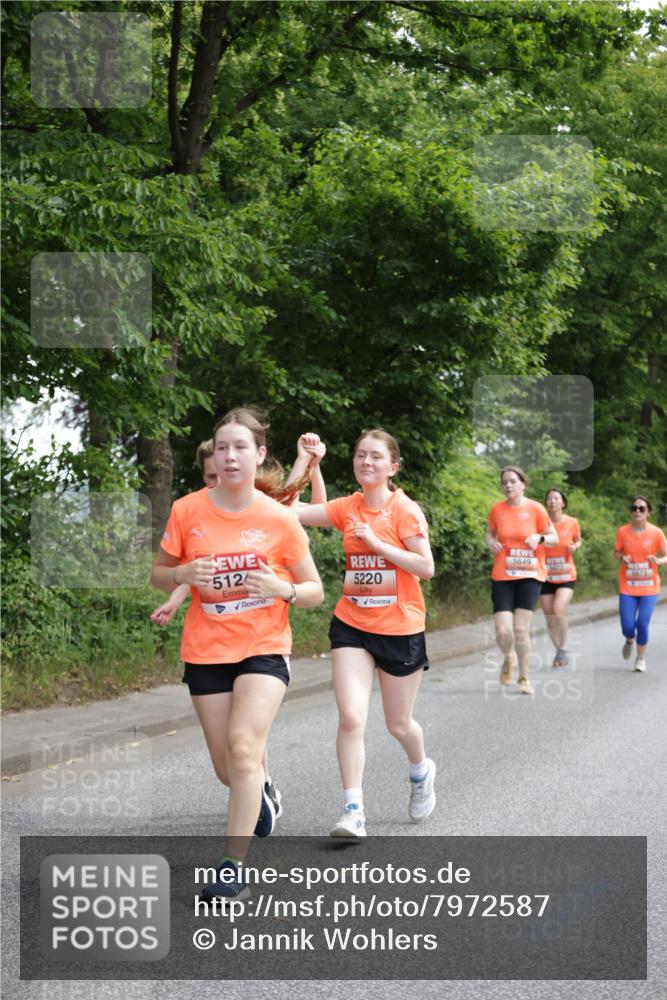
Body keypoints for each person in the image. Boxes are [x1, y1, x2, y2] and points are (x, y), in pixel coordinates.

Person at [150, 408, 324, 899]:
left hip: (263, 646)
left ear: (259, 454)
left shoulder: (278, 518)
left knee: (244, 748)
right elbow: (158, 574)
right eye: (223, 447)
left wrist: (283, 589)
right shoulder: (187, 510)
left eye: (241, 447)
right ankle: (260, 790)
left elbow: (314, 590)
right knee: (228, 769)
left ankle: (233, 868)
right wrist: (181, 575)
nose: (230, 456)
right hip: (206, 650)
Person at [297, 428, 436, 839]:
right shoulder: (349, 506)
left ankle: (421, 771)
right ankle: (353, 809)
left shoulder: (404, 510)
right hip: (352, 625)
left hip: (399, 628)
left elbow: (426, 567)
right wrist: (310, 464)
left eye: (375, 456)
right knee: (351, 716)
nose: (366, 462)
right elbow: (295, 512)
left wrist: (378, 545)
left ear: (393, 467)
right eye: (360, 455)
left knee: (399, 724)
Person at [485, 467, 558, 696]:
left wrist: (540, 537)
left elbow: (554, 538)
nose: (508, 485)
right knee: (502, 630)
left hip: (530, 575)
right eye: (505, 482)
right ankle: (509, 656)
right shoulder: (497, 509)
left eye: (513, 481)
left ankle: (524, 677)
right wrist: (490, 542)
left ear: (523, 484)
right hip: (503, 575)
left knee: (519, 628)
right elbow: (489, 533)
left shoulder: (536, 509)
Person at [614, 495, 667, 673]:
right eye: (634, 508)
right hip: (628, 587)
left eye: (642, 508)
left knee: (642, 623)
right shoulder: (623, 531)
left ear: (648, 512)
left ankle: (640, 659)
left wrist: (658, 561)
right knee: (628, 626)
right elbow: (616, 552)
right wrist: (622, 557)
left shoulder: (656, 533)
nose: (637, 511)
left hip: (649, 588)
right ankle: (629, 639)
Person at [539, 488, 582, 667]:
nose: (552, 501)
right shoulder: (540, 523)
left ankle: (563, 646)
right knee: (549, 618)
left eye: (556, 498)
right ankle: (560, 651)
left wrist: (575, 547)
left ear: (563, 503)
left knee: (558, 610)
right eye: (549, 499)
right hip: (545, 576)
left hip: (566, 575)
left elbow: (578, 539)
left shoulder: (572, 522)